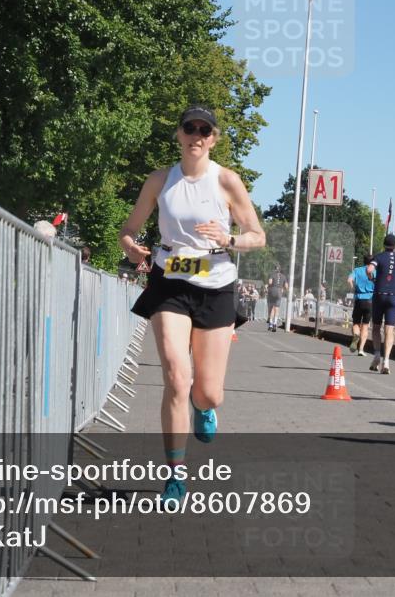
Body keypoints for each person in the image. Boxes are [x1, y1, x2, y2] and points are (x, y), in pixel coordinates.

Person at [120, 105, 265, 502]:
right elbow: (128, 230)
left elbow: (257, 236)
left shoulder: (226, 181)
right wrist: (131, 247)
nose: (196, 136)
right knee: (175, 377)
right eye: (190, 128)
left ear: (213, 139)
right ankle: (175, 476)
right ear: (179, 134)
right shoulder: (159, 180)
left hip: (215, 285)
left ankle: (204, 407)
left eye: (205, 130)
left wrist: (229, 239)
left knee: (208, 393)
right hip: (169, 282)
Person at [367, 233, 395, 374]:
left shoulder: (379, 257)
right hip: (394, 296)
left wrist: (372, 278)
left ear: (384, 245)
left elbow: (369, 269)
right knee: (389, 329)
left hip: (379, 295)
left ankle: (377, 355)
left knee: (376, 327)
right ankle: (386, 361)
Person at [347, 254, 376, 356]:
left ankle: (356, 336)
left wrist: (352, 287)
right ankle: (361, 350)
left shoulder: (357, 270)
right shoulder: (375, 272)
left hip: (359, 299)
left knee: (356, 323)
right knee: (365, 326)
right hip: (370, 300)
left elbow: (349, 280)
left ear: (364, 261)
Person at [266, 264, 286, 332]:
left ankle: (270, 324)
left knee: (272, 308)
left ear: (275, 269)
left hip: (272, 291)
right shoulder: (283, 276)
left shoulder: (272, 274)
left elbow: (270, 282)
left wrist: (267, 286)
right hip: (279, 292)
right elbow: (286, 286)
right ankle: (275, 324)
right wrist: (283, 289)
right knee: (276, 309)